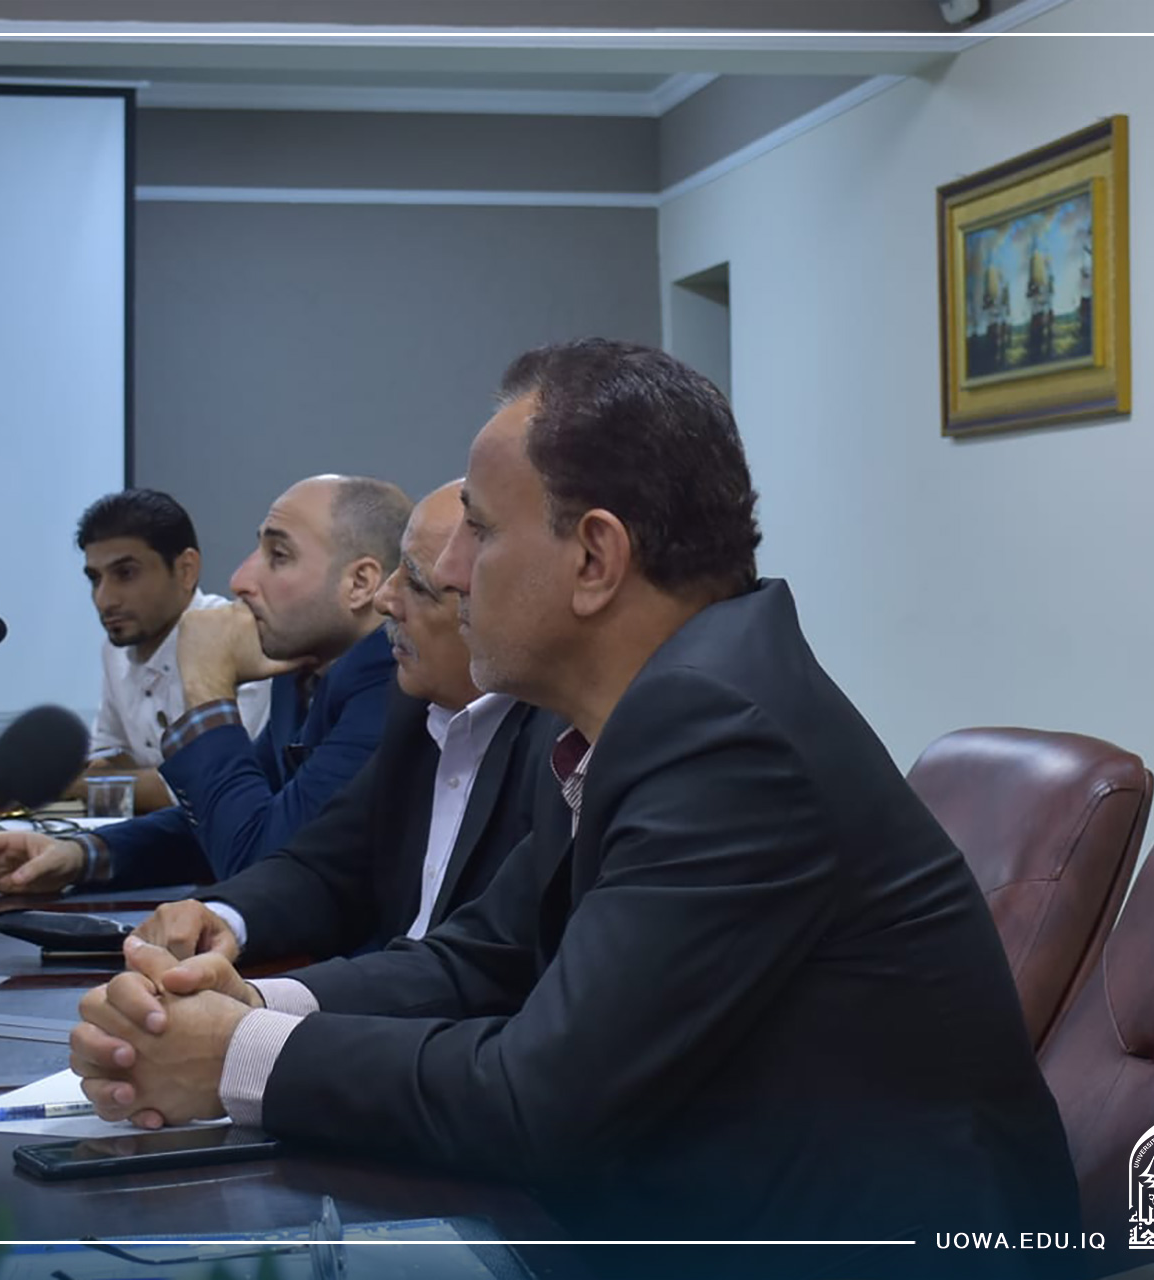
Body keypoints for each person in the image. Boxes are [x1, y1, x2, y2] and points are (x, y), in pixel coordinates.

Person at [66, 340, 1082, 1275]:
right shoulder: (632, 711)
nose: (447, 573)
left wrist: (235, 1056)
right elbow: (479, 957)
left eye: (480, 530)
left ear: (595, 558)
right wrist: (250, 1006)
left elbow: (542, 1097)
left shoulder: (724, 734)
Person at [133, 480, 561, 965]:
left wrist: (205, 687)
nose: (385, 599)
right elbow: (322, 865)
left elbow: (255, 849)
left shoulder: (554, 744)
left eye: (416, 583)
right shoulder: (415, 708)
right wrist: (223, 918)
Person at [0, 474, 409, 895]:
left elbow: (264, 868)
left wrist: (206, 687)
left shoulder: (389, 689)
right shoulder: (302, 675)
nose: (240, 580)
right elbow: (218, 823)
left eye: (278, 556)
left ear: (360, 583)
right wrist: (81, 855)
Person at [73, 488, 271, 814]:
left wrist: (72, 784)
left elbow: (211, 787)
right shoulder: (115, 651)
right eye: (95, 579)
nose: (104, 599)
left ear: (185, 570)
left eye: (125, 573)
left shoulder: (240, 638)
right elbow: (108, 756)